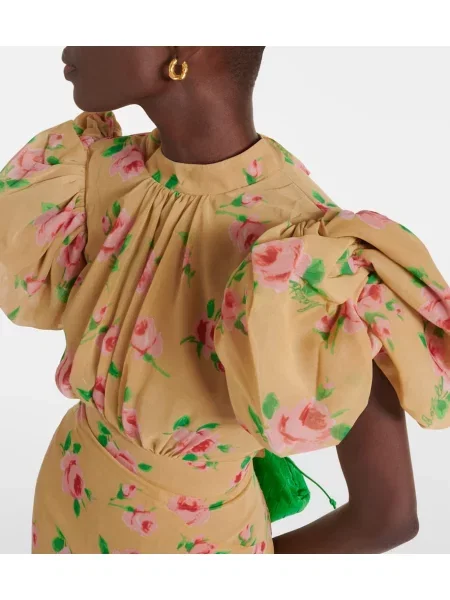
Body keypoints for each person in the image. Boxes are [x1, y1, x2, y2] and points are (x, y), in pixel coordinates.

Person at [0, 46, 449, 555]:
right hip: (66, 507)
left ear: (184, 47)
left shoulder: (308, 256)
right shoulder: (97, 173)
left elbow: (386, 517)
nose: (72, 45)